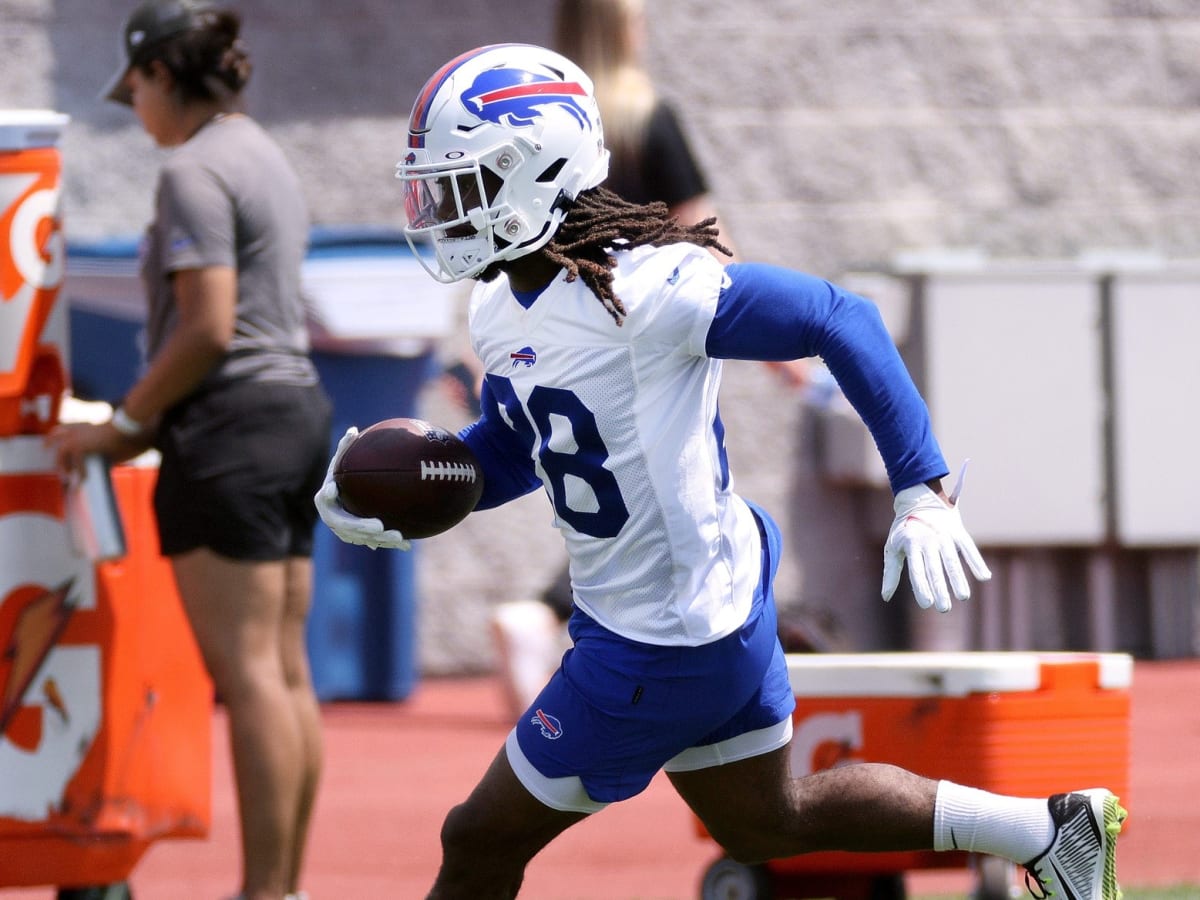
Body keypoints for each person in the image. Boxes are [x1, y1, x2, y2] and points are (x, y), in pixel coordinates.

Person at [316, 44, 1125, 900]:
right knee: (765, 822)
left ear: (540, 172)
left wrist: (922, 486)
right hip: (701, 602)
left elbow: (836, 315)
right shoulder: (496, 302)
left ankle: (1044, 834)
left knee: (477, 837)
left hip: (657, 637)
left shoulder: (648, 286)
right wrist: (421, 488)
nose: (443, 210)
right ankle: (1044, 830)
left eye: (466, 185)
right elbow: (523, 451)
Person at [48, 3, 328, 898]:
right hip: (295, 417)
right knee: (284, 671)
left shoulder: (193, 170)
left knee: (248, 676)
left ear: (162, 75)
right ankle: (283, 887)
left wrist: (122, 423)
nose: (135, 111)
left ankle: (266, 892)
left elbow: (206, 328)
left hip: (229, 428)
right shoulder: (264, 154)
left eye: (134, 91)